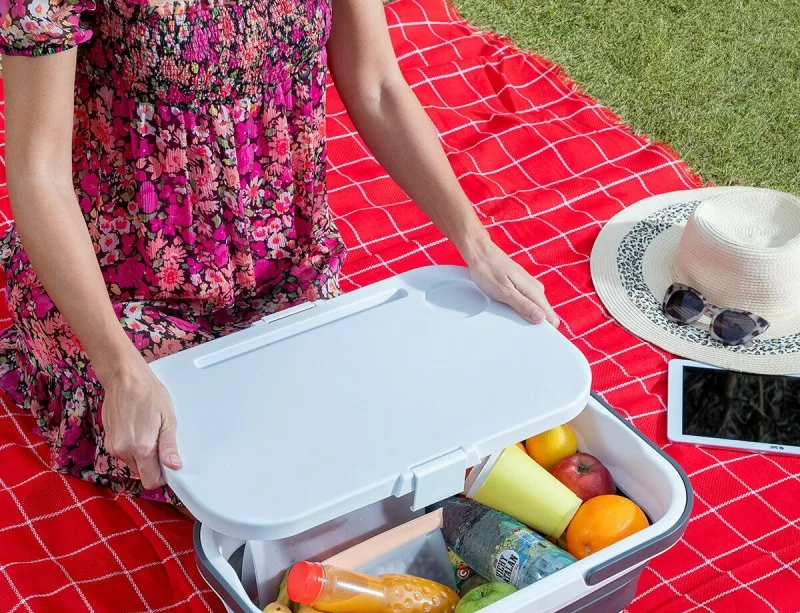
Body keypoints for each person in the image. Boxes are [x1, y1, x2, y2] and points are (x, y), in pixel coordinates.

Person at [0, 0, 558, 506]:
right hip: (121, 296)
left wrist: (474, 242)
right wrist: (119, 369)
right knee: (233, 470)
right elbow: (37, 172)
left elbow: (377, 86)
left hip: (287, 272)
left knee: (351, 447)